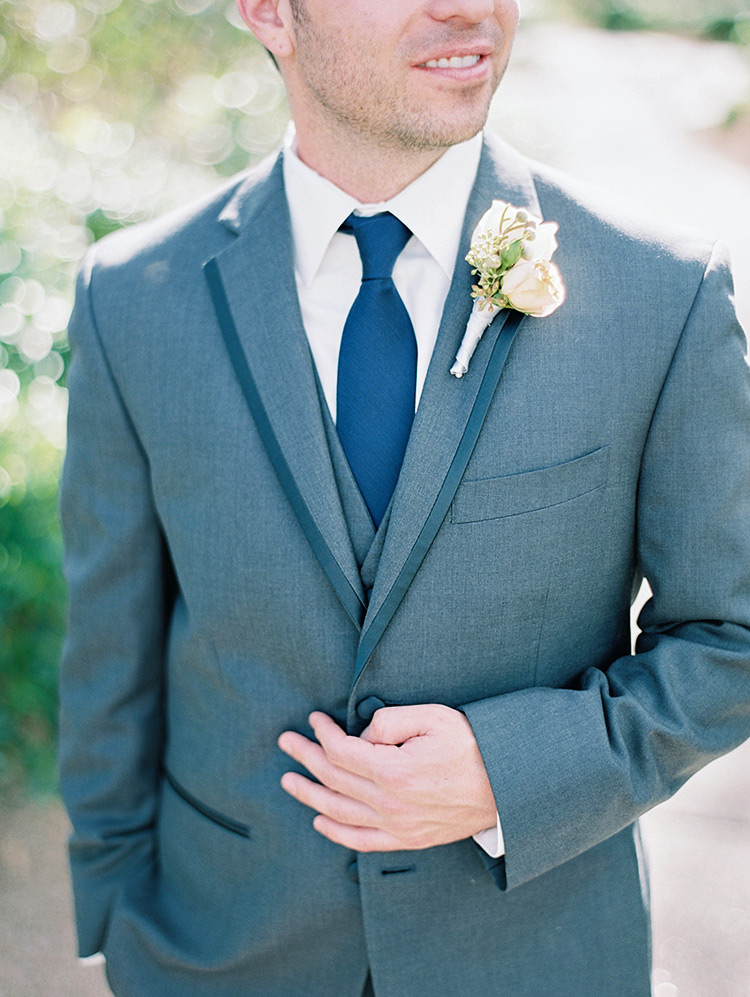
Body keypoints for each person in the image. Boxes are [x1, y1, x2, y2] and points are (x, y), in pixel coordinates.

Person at [58, 1, 750, 994]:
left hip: (537, 960)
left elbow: (731, 638)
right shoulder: (131, 297)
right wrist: (115, 919)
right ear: (267, 12)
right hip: (214, 953)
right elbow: (109, 657)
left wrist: (513, 770)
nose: (466, 7)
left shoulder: (665, 292)